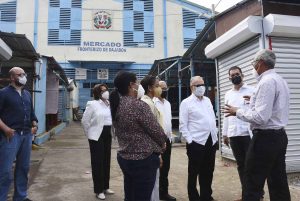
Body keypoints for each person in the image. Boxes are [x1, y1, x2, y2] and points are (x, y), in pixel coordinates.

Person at [224, 49, 291, 201]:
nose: (253, 67)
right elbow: (274, 108)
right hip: (279, 136)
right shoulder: (280, 80)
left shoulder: (266, 82)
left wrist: (238, 111)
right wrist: (253, 101)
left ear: (260, 63)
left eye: (253, 63)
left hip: (265, 138)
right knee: (278, 180)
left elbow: (261, 118)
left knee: (252, 181)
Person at [109, 71, 166, 201]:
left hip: (125, 157)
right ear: (131, 85)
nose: (139, 86)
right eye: (138, 83)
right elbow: (156, 131)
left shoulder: (118, 104)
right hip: (143, 159)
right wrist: (162, 143)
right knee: (142, 197)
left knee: (130, 195)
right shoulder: (138, 105)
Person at [0, 67, 38, 201]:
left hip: (26, 135)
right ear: (12, 77)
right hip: (11, 136)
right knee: (5, 171)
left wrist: (34, 124)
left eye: (24, 74)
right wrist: (6, 129)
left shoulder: (27, 94)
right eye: (19, 74)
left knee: (23, 167)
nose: (23, 76)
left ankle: (20, 197)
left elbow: (32, 113)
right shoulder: (3, 93)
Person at [179, 76, 218, 201]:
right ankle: (194, 197)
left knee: (208, 171)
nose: (201, 87)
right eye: (198, 85)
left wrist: (215, 134)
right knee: (194, 172)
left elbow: (212, 118)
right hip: (196, 143)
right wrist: (190, 141)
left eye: (202, 84)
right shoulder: (186, 103)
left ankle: (206, 196)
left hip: (210, 141)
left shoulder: (207, 100)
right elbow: (183, 125)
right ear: (192, 87)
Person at [222, 66, 255, 201]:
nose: (235, 76)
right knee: (241, 166)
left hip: (248, 134)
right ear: (229, 78)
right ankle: (246, 195)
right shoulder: (228, 94)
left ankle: (256, 195)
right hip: (234, 135)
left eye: (237, 74)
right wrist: (224, 134)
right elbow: (226, 115)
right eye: (232, 75)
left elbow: (256, 111)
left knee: (251, 166)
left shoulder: (252, 90)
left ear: (242, 75)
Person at [81, 84, 114, 200]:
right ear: (97, 93)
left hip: (107, 133)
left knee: (106, 161)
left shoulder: (109, 104)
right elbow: (85, 121)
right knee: (97, 163)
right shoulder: (93, 104)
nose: (106, 92)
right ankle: (98, 190)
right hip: (96, 135)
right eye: (102, 90)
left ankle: (105, 187)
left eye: (106, 90)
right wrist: (89, 134)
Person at [154, 81, 176, 201]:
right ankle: (155, 194)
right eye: (162, 88)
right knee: (157, 167)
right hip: (157, 140)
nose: (164, 90)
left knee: (165, 167)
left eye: (166, 87)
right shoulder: (153, 102)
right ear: (156, 89)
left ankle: (164, 192)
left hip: (168, 139)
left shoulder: (167, 103)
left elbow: (168, 121)